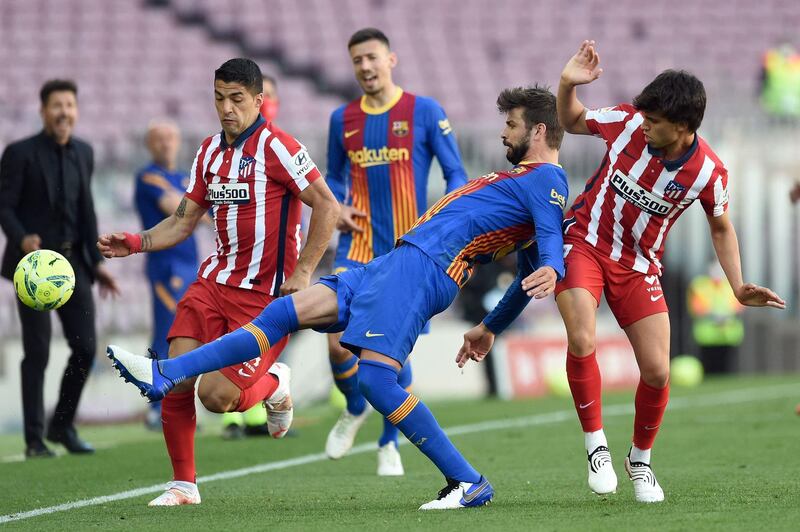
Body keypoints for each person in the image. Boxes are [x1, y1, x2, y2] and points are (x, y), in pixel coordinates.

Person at [107, 85, 568, 510]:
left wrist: (554, 265)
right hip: (394, 261)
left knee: (377, 381)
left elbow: (546, 246)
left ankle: (467, 481)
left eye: (511, 125)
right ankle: (166, 373)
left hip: (424, 270)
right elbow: (528, 268)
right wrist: (490, 327)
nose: (504, 132)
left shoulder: (547, 181)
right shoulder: (522, 180)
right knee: (286, 311)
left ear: (539, 130)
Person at [98, 58, 340, 506]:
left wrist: (303, 272)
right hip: (211, 284)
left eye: (237, 99)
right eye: (219, 98)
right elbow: (182, 222)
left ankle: (274, 384)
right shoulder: (209, 151)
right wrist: (133, 242)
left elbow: (326, 205)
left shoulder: (278, 147)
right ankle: (183, 484)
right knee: (176, 377)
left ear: (258, 100)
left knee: (217, 399)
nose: (226, 108)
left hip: (263, 299)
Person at [555, 40, 786, 503]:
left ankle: (639, 460)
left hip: (639, 266)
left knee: (658, 372)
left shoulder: (708, 173)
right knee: (582, 338)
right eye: (644, 115)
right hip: (584, 242)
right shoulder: (624, 122)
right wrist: (566, 84)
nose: (644, 124)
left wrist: (738, 286)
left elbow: (721, 228)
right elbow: (572, 119)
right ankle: (595, 446)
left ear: (682, 127)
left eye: (655, 121)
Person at [324, 27, 468, 475]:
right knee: (335, 343)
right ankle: (355, 407)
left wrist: (442, 227)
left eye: (371, 57)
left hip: (408, 252)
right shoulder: (341, 119)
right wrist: (337, 208)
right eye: (357, 61)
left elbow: (457, 174)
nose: (365, 67)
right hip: (358, 245)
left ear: (391, 59)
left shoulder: (423, 111)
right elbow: (331, 179)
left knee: (389, 356)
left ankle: (390, 442)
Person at [0, 79, 119, 458]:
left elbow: (87, 211)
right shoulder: (19, 153)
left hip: (74, 266)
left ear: (76, 111)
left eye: (69, 105)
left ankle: (62, 426)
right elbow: (4, 206)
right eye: (56, 105)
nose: (64, 112)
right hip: (33, 269)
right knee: (37, 352)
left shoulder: (84, 152)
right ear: (43, 111)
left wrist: (97, 263)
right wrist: (22, 239)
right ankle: (35, 439)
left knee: (85, 347)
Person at [221, 72, 283, 440]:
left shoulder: (282, 148)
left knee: (257, 343)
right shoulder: (222, 151)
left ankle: (259, 409)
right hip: (230, 272)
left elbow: (316, 203)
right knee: (230, 345)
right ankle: (233, 419)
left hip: (272, 274)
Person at [134, 119, 200, 431]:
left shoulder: (184, 177)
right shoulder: (149, 176)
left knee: (186, 335)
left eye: (170, 137)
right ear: (149, 144)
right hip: (166, 266)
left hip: (190, 264)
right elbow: (178, 208)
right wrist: (206, 203)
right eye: (158, 138)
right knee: (167, 332)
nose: (166, 143)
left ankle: (177, 404)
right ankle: (157, 406)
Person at [686, 261, 744, 374]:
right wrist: (714, 316)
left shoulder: (731, 286)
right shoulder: (700, 286)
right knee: (708, 367)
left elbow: (739, 306)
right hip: (707, 336)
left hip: (728, 335)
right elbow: (696, 308)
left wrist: (725, 316)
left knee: (728, 368)